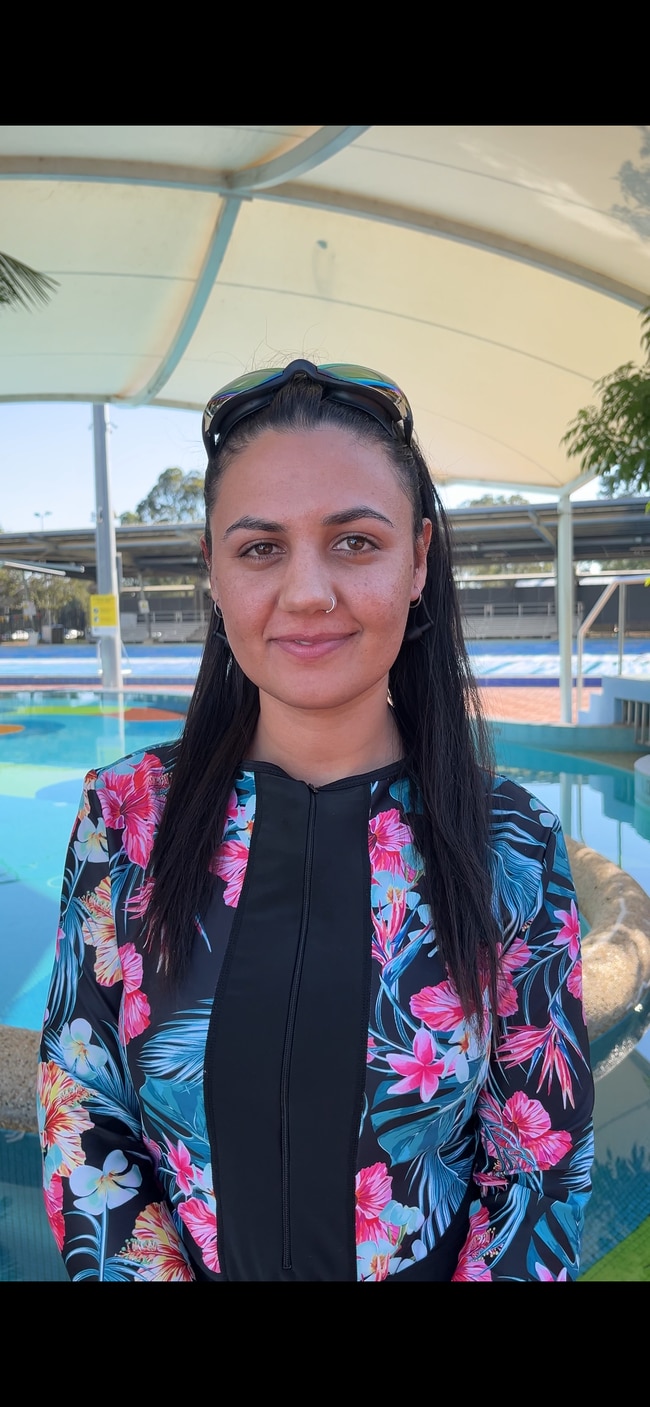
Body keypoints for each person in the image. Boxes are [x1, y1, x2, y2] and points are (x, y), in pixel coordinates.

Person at [37, 359, 595, 1282]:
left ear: (417, 560)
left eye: (354, 543)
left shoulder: (511, 840)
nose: (306, 593)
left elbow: (536, 1164)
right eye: (260, 549)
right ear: (212, 571)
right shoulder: (125, 820)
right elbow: (83, 1116)